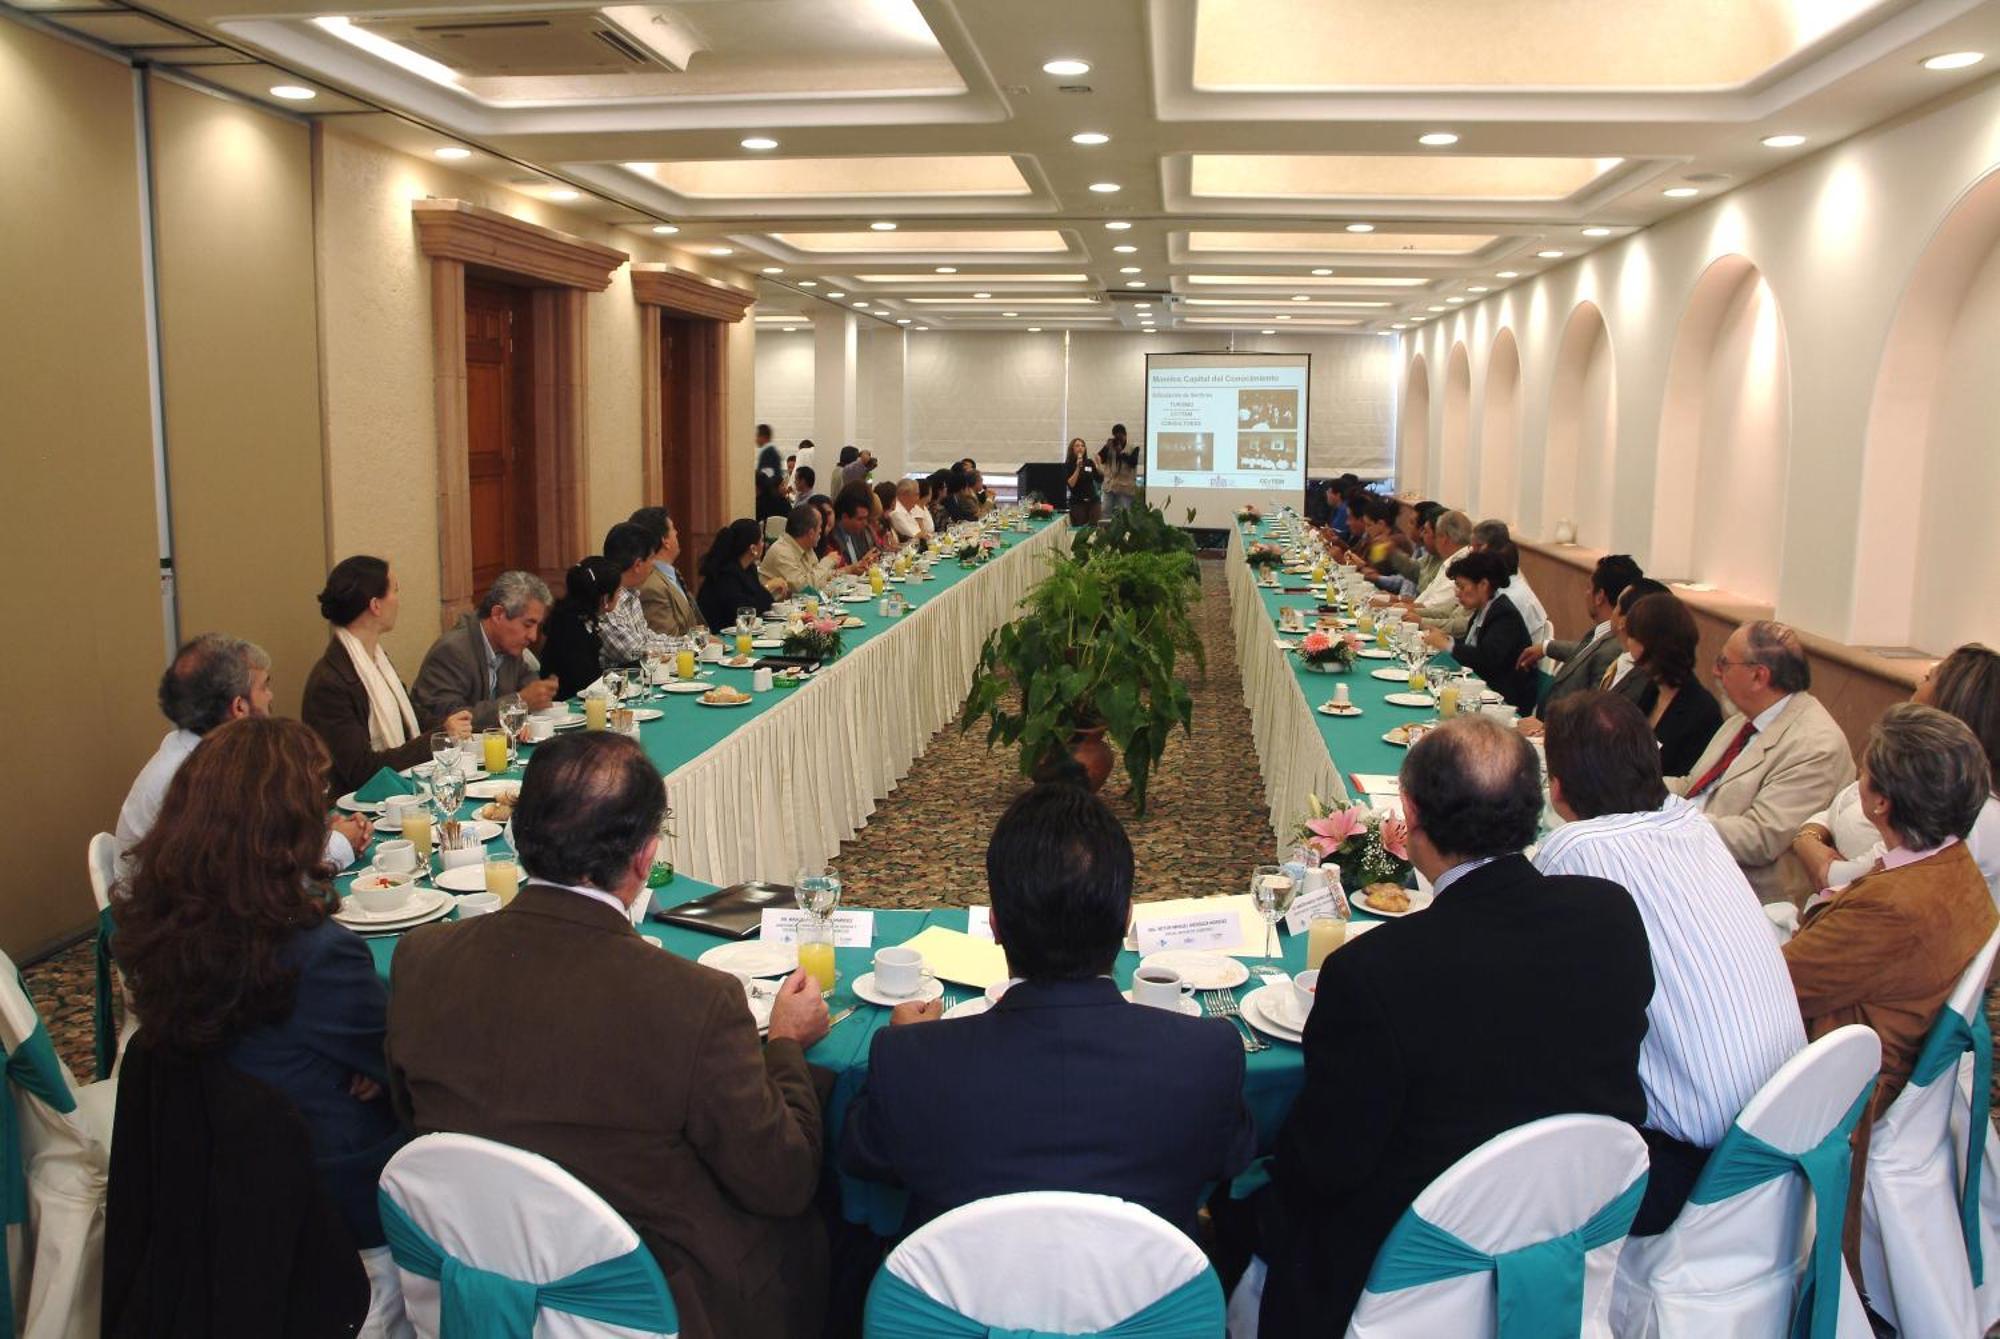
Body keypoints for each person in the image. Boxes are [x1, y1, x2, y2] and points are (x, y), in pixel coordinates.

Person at [386, 732, 830, 1339]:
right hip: (650, 1305)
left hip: (473, 1266)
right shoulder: (694, 1003)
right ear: (646, 857)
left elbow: (412, 1119)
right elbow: (783, 1180)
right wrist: (783, 1044)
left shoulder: (420, 960)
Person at [1254, 716, 1652, 1335]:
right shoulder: (1611, 916)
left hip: (1404, 1277)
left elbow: (1323, 1168)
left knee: (1249, 1208)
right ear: (1536, 807)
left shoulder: (1373, 971)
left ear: (1409, 816)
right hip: (1568, 1236)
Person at [840, 783, 1256, 1240]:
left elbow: (863, 1155)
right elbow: (1228, 1158)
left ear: (994, 924)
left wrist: (908, 1040)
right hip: (1148, 1308)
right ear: (1127, 919)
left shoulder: (910, 1060)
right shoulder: (1206, 1054)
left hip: (959, 1307)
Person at [116, 717, 407, 1255]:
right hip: (324, 1205)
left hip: (204, 1182)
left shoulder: (156, 922)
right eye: (318, 797)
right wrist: (377, 1066)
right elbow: (397, 1066)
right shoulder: (319, 954)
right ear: (289, 825)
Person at [1537, 692, 1805, 1233]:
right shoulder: (1694, 824)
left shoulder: (1576, 851)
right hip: (1783, 1135)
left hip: (1689, 1170)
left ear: (1558, 791)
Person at [1782, 703, 1996, 1268]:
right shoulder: (1954, 866)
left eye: (1865, 772)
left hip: (1846, 1084)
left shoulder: (1896, 905)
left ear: (1880, 803)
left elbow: (1780, 987)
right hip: (1892, 1053)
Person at [118, 634, 371, 871]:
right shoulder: (198, 777)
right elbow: (257, 878)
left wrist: (316, 834)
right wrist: (336, 845)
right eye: (264, 687)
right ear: (239, 707)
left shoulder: (199, 751)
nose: (270, 697)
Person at [1793, 643, 2000, 902]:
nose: (1917, 682)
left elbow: (1854, 877)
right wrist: (1809, 837)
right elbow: (1843, 801)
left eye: (1928, 678)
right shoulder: (1910, 763)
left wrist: (1813, 852)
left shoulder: (1953, 805)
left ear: (1949, 701)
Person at [1667, 620, 1856, 904]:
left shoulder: (1816, 746)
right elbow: (1694, 786)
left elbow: (1760, 838)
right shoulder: (1742, 720)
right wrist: (1632, 787)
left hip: (1742, 895)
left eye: (1724, 663)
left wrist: (1668, 820)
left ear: (1758, 676)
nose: (1715, 671)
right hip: (1692, 859)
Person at [302, 556, 469, 795]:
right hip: (359, 809)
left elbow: (410, 716)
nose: (399, 601)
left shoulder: (377, 660)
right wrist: (437, 737)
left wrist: (450, 728)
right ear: (375, 605)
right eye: (395, 591)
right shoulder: (330, 683)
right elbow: (361, 770)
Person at [411, 570, 559, 730]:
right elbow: (452, 718)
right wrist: (518, 703)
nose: (533, 636)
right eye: (528, 625)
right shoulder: (452, 651)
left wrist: (541, 692)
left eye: (538, 626)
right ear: (498, 614)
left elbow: (528, 684)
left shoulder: (511, 648)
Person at [1519, 554, 1641, 717]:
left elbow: (1590, 714)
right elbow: (1586, 651)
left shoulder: (1613, 650)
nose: (1586, 593)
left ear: (1599, 597)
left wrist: (1545, 729)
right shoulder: (1602, 633)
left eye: (1589, 588)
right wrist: (1547, 647)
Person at [1619, 592, 1725, 776]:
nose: (1628, 643)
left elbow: (1686, 780)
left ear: (1648, 643)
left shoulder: (1702, 711)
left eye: (1632, 636)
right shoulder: (1652, 690)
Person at [1422, 549, 1538, 714]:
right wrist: (1448, 640)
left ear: (1483, 585)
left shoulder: (1504, 615)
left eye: (1462, 587)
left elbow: (1487, 658)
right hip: (1480, 693)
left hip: (1503, 702)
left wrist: (1448, 646)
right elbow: (1474, 646)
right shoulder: (1484, 608)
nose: (1457, 593)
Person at [540, 557, 623, 700]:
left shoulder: (576, 617)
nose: (620, 595)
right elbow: (584, 683)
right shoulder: (571, 629)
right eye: (618, 591)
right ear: (605, 598)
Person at [596, 521, 659, 669]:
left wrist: (688, 642)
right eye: (651, 558)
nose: (653, 565)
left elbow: (646, 637)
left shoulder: (632, 593)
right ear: (637, 565)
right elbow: (635, 651)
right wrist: (688, 647)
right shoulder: (607, 601)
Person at [633, 510, 705, 638]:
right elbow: (667, 641)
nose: (677, 533)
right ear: (665, 541)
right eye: (673, 529)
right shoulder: (652, 587)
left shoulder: (670, 574)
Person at [696, 518, 776, 632]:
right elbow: (745, 611)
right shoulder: (725, 575)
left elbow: (766, 603)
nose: (764, 545)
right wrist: (769, 586)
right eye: (762, 540)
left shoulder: (749, 569)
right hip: (719, 636)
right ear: (753, 548)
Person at [761, 504, 840, 595]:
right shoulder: (781, 552)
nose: (821, 531)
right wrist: (828, 561)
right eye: (820, 527)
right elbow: (807, 589)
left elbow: (818, 580)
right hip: (775, 608)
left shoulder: (806, 547)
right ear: (810, 533)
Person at [827, 482, 880, 567]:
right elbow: (835, 573)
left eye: (866, 518)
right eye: (860, 519)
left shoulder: (858, 532)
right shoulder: (832, 538)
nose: (865, 523)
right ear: (844, 517)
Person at [1099, 423, 1139, 514]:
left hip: (1125, 488)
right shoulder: (1110, 445)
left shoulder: (1133, 447)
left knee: (1124, 514)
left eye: (1120, 437)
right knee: (1105, 511)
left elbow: (1133, 463)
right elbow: (1100, 459)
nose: (1118, 440)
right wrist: (1106, 447)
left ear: (1125, 435)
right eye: (1116, 437)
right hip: (1109, 486)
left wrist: (1120, 452)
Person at [1064, 436, 1102, 525]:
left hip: (1093, 501)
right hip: (1078, 503)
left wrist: (1099, 465)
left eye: (1082, 445)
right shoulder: (1068, 465)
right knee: (1080, 530)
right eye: (1077, 446)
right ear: (1072, 449)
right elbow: (1071, 484)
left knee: (1095, 529)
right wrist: (1078, 467)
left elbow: (1099, 479)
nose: (1080, 448)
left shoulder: (1089, 462)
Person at [886, 477, 923, 543]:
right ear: (904, 495)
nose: (918, 498)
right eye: (916, 495)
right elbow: (915, 535)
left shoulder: (907, 511)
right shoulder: (896, 512)